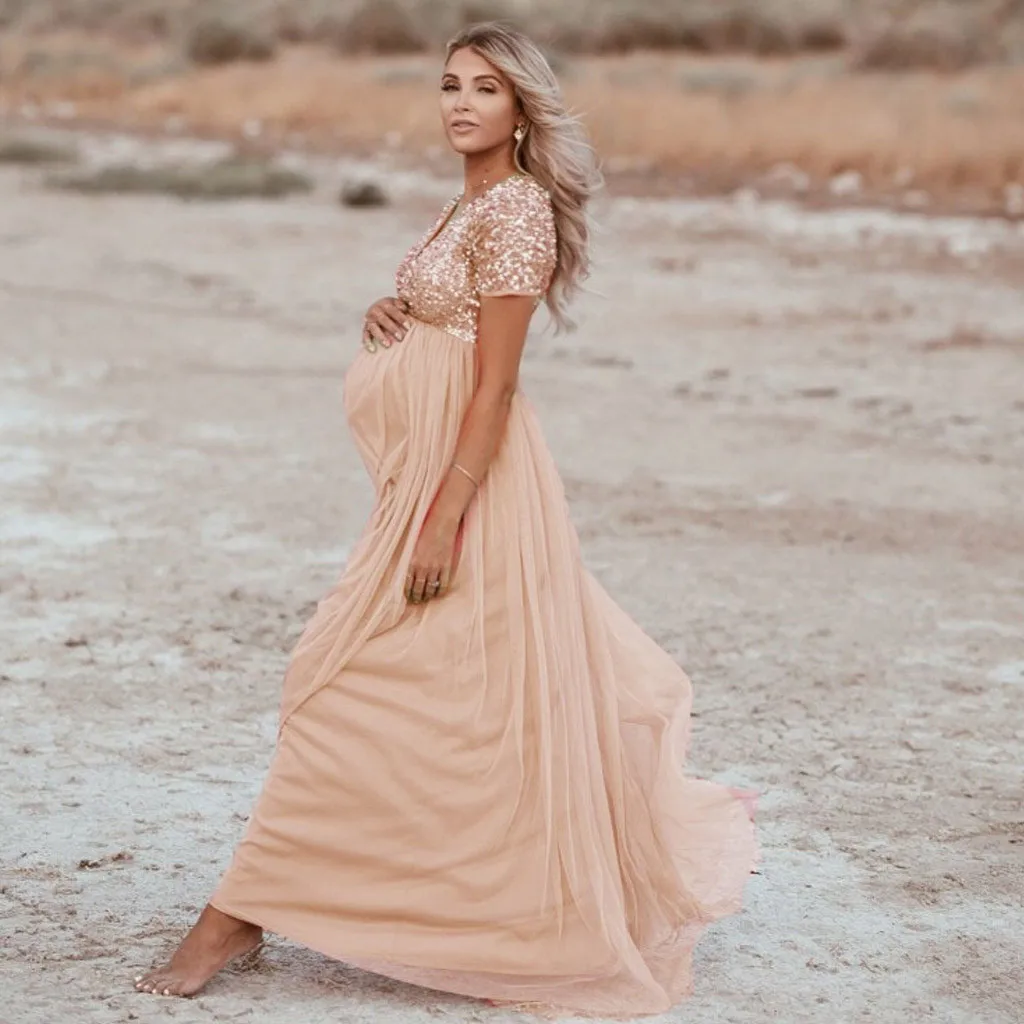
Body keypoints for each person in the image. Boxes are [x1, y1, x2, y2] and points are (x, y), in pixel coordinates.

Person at [133, 21, 758, 1018]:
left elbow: (498, 383)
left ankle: (238, 912)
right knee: (436, 692)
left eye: (485, 89)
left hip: (469, 491)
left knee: (342, 676)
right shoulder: (467, 200)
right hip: (419, 483)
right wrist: (389, 317)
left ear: (521, 111)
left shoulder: (514, 209)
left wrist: (444, 516)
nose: (461, 102)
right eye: (448, 85)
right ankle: (289, 900)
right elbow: (450, 322)